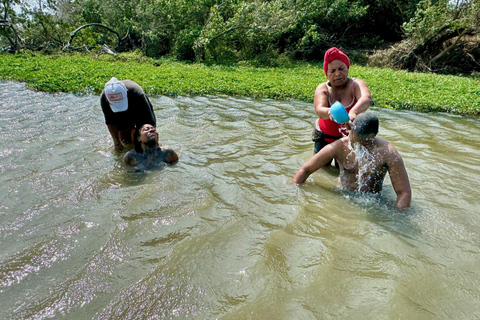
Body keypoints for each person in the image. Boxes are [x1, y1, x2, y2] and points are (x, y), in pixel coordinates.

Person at [295, 113, 411, 210]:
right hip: (342, 195)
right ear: (349, 129)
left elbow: (404, 193)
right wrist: (294, 190)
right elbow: (305, 170)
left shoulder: (388, 153)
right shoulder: (339, 146)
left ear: (374, 135)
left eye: (366, 142)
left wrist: (398, 217)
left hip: (372, 201)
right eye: (356, 140)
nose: (359, 144)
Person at [312, 47, 372, 154]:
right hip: (324, 138)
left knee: (347, 169)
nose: (337, 73)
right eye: (333, 71)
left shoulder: (356, 85)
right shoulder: (323, 88)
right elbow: (319, 109)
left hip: (349, 138)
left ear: (347, 68)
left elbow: (366, 98)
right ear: (327, 74)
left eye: (341, 69)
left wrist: (353, 112)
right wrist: (330, 112)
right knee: (322, 169)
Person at [100, 77, 156, 153]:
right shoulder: (104, 98)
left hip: (137, 105)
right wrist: (117, 143)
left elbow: (149, 123)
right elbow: (110, 122)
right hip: (118, 112)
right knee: (124, 140)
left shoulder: (137, 94)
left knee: (146, 137)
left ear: (127, 92)